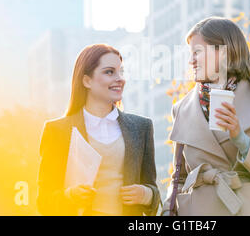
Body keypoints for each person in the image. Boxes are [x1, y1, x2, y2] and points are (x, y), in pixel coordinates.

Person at [162, 17, 250, 215]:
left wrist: (242, 140)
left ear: (223, 53)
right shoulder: (181, 109)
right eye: (191, 54)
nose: (191, 61)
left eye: (197, 52)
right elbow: (179, 178)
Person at [37, 43, 160, 216]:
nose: (120, 78)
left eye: (121, 72)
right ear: (86, 80)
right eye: (109, 72)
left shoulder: (141, 128)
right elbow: (44, 202)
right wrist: (69, 196)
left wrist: (146, 195)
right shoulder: (57, 131)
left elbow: (154, 192)